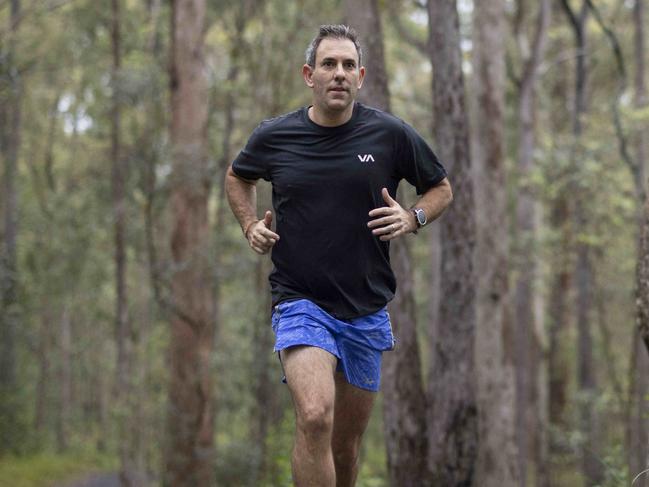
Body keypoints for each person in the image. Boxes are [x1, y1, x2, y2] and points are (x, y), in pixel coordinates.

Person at [225, 24, 452, 487]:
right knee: (313, 416)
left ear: (362, 76)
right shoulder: (276, 136)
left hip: (366, 309)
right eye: (329, 64)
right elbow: (237, 176)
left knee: (345, 450)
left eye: (349, 65)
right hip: (300, 300)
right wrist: (249, 224)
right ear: (309, 74)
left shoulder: (389, 134)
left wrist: (413, 218)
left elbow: (441, 188)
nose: (339, 74)